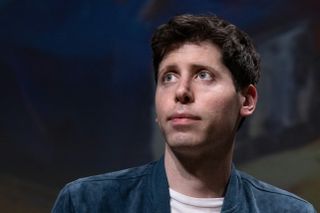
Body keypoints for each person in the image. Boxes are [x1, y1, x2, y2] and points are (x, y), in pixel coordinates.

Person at [52, 14, 316, 213]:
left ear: (246, 100)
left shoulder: (288, 211)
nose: (181, 91)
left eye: (203, 75)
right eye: (169, 77)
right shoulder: (87, 202)